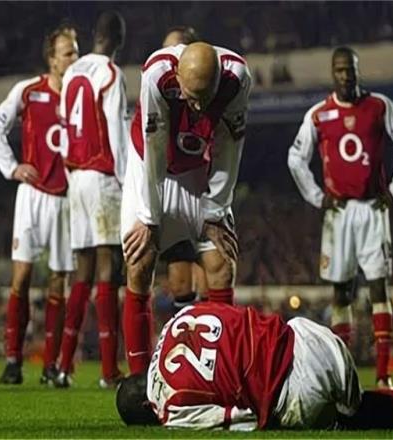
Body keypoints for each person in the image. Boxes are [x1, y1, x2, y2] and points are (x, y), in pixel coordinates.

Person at [287, 46, 393, 388]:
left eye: (351, 69)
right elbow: (296, 158)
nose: (346, 75)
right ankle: (344, 376)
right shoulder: (319, 114)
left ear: (358, 71)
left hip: (373, 208)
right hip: (339, 212)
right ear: (333, 73)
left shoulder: (379, 106)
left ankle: (384, 375)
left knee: (378, 287)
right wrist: (317, 196)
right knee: (341, 292)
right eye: (340, 70)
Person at [121, 42, 251, 376]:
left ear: (218, 79)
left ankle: (220, 374)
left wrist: (215, 213)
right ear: (178, 75)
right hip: (149, 164)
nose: (197, 106)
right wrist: (149, 218)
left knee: (221, 263)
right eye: (191, 96)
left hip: (197, 167)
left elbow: (230, 147)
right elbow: (154, 146)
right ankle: (139, 379)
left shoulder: (237, 78)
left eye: (205, 97)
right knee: (140, 262)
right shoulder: (157, 75)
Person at [116, 302, 393, 431]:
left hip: (299, 393)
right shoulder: (179, 317)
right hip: (312, 337)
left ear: (146, 407)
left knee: (356, 417)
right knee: (362, 406)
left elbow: (242, 419)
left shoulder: (168, 408)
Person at [0, 26, 79, 385]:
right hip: (33, 195)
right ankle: (13, 361)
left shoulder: (82, 94)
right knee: (21, 278)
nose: (74, 58)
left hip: (67, 199)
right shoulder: (28, 91)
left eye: (76, 51)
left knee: (59, 282)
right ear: (52, 59)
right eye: (68, 52)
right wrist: (11, 167)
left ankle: (50, 365)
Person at [55, 11, 129, 388]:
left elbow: (66, 127)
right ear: (118, 40)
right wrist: (126, 182)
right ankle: (108, 370)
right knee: (108, 268)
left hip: (76, 177)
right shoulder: (111, 74)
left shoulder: (72, 73)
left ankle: (63, 365)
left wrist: (72, 174)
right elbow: (116, 133)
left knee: (81, 272)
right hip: (102, 176)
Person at [160, 27, 208, 313]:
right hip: (171, 188)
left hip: (202, 189)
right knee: (179, 282)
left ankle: (211, 331)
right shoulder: (159, 88)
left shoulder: (211, 92)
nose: (167, 56)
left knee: (210, 275)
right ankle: (185, 333)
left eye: (174, 49)